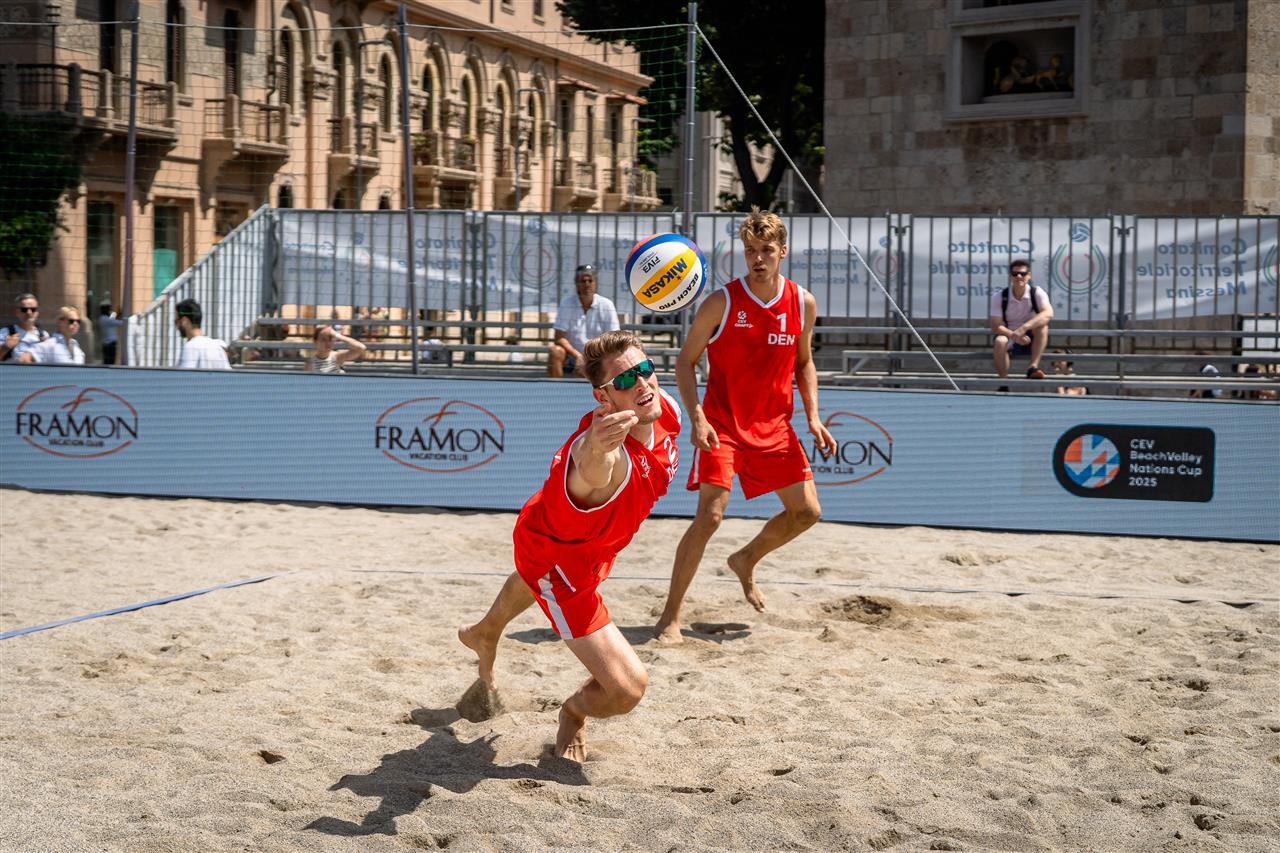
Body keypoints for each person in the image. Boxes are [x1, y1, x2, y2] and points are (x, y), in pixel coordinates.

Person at [458, 330, 681, 762]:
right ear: (603, 397)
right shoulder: (607, 452)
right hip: (560, 562)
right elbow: (592, 465)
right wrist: (597, 447)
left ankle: (485, 631)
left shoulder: (659, 406)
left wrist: (703, 420)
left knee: (534, 580)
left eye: (645, 369)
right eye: (624, 380)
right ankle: (573, 712)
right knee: (627, 689)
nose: (641, 383)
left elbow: (667, 386)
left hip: (588, 540)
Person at [654, 208, 834, 645]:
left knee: (807, 513)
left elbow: (804, 363)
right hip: (723, 424)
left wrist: (812, 416)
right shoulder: (722, 302)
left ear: (783, 252)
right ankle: (669, 618)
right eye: (750, 250)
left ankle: (746, 559)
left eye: (766, 250)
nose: (757, 258)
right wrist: (696, 415)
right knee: (710, 516)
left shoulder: (802, 302)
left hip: (775, 425)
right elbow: (685, 362)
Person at [548, 264, 620, 378]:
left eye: (590, 281)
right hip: (572, 356)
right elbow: (559, 338)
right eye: (582, 281)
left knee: (610, 357)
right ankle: (554, 387)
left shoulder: (607, 305)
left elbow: (614, 338)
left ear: (596, 283)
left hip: (598, 356)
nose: (586, 284)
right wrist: (578, 356)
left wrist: (591, 358)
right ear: (576, 284)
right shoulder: (566, 303)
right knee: (555, 351)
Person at [990, 259, 1053, 382]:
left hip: (1030, 335)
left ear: (1029, 276)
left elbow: (1048, 313)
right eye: (1015, 274)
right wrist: (1014, 335)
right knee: (1000, 341)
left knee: (1042, 327)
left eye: (1023, 274)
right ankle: (1003, 382)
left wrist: (1023, 329)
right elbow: (995, 326)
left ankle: (1033, 367)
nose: (1019, 276)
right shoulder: (999, 296)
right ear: (1010, 277)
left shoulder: (1037, 292)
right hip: (1009, 334)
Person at [174, 298, 231, 370]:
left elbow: (183, 376)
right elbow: (228, 374)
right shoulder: (217, 347)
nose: (176, 325)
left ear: (184, 321)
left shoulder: (190, 347)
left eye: (176, 321)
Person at [19, 306, 86, 365]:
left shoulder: (76, 347)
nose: (75, 324)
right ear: (60, 322)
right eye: (71, 321)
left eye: (78, 321)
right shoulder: (50, 344)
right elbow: (23, 359)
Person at [0, 293, 49, 363]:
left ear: (37, 312)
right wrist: (5, 347)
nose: (29, 312)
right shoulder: (5, 333)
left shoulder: (44, 335)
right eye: (24, 309)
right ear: (16, 312)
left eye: (33, 309)